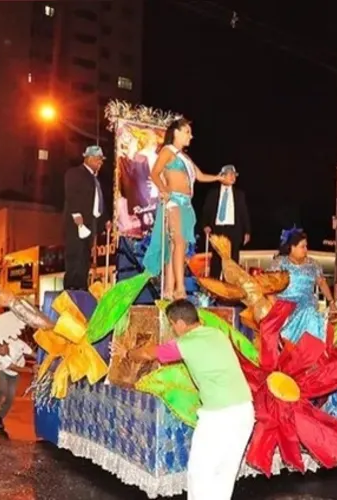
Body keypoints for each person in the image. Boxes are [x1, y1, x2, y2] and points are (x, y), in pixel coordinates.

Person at [126, 299, 254, 499]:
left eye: (171, 324)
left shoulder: (187, 343)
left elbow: (147, 353)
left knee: (200, 472)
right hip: (245, 411)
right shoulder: (217, 333)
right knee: (224, 474)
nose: (173, 329)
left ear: (179, 323)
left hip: (219, 415)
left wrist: (127, 352)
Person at [143, 119, 224, 300]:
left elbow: (200, 176)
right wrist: (164, 191)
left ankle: (169, 290)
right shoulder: (167, 151)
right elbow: (154, 173)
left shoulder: (185, 157)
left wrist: (219, 178)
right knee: (178, 242)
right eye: (187, 131)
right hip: (174, 202)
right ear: (176, 132)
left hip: (187, 204)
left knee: (179, 246)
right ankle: (180, 288)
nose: (191, 135)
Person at [267, 228, 336, 343]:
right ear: (292, 248)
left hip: (307, 304)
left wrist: (332, 302)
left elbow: (322, 283)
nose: (306, 250)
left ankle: (311, 350)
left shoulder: (313, 264)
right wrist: (274, 305)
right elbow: (269, 286)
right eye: (302, 246)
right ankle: (291, 343)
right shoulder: (280, 263)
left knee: (310, 313)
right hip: (285, 305)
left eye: (306, 246)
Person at [63, 145, 111, 290]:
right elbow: (72, 194)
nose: (100, 163)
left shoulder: (94, 179)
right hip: (77, 223)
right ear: (89, 158)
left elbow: (98, 202)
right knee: (75, 255)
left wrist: (105, 219)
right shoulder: (75, 173)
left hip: (91, 224)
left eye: (101, 160)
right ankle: (72, 288)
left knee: (84, 257)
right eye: (98, 159)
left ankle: (81, 287)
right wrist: (77, 215)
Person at [200, 164, 251, 280]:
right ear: (222, 176)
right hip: (218, 229)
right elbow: (206, 210)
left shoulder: (239, 194)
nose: (233, 177)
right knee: (217, 261)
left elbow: (244, 213)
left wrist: (247, 231)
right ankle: (215, 289)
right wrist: (205, 225)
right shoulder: (213, 193)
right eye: (230, 174)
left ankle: (232, 290)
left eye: (235, 175)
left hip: (234, 230)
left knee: (232, 261)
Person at [0, 335, 33, 435]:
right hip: (2, 370)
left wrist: (42, 360)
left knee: (10, 397)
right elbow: (13, 367)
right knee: (2, 389)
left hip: (15, 374)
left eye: (1, 347)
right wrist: (31, 370)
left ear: (7, 344)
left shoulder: (16, 343)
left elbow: (31, 352)